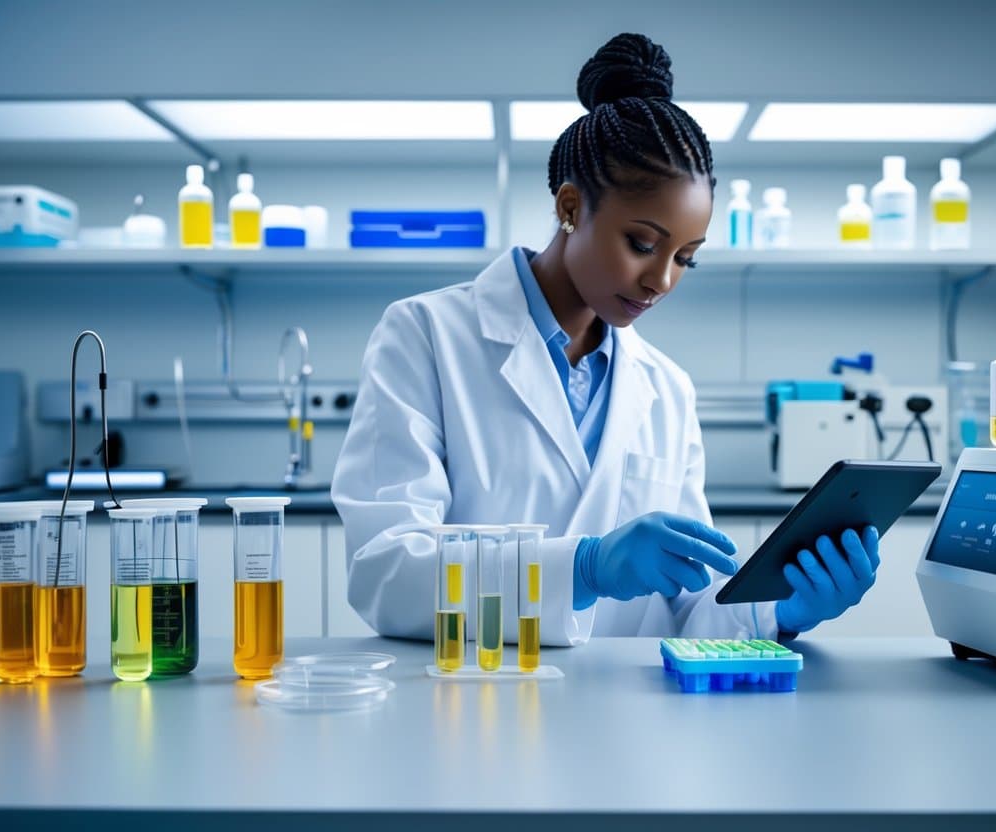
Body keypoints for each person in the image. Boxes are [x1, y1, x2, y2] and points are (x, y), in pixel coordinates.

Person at [332, 33, 880, 647]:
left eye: (685, 259)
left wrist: (784, 610)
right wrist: (584, 567)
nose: (661, 280)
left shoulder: (666, 388)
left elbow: (689, 608)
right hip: (477, 703)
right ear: (570, 207)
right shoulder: (426, 336)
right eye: (643, 244)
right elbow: (387, 572)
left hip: (627, 726)